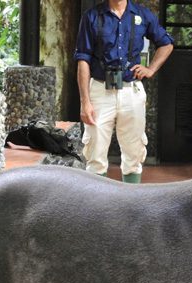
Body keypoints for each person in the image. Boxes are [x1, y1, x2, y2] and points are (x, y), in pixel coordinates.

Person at [74, 0, 174, 183]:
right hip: (99, 89)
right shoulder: (92, 16)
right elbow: (83, 60)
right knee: (95, 153)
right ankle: (97, 207)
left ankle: (131, 204)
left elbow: (166, 44)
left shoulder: (142, 15)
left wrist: (150, 69)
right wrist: (85, 101)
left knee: (134, 153)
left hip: (131, 91)